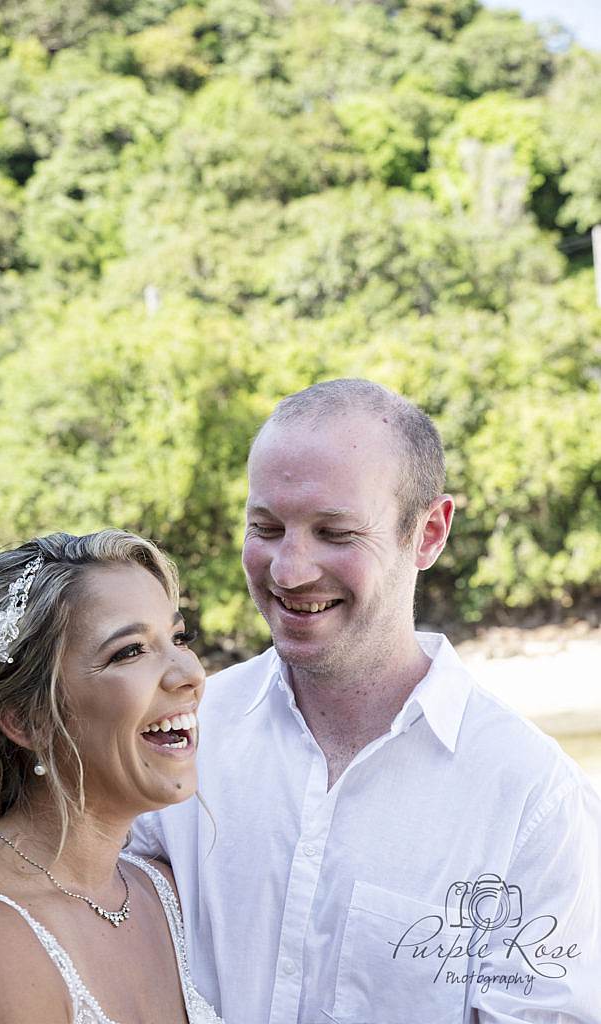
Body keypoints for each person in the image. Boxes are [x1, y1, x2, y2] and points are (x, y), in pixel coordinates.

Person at [132, 379, 601, 1024]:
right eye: (265, 528)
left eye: (336, 533)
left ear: (429, 533)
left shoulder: (533, 799)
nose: (289, 572)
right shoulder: (178, 736)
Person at [0, 529, 222, 1024]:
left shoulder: (159, 892)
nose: (189, 673)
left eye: (178, 637)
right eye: (130, 651)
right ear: (25, 718)